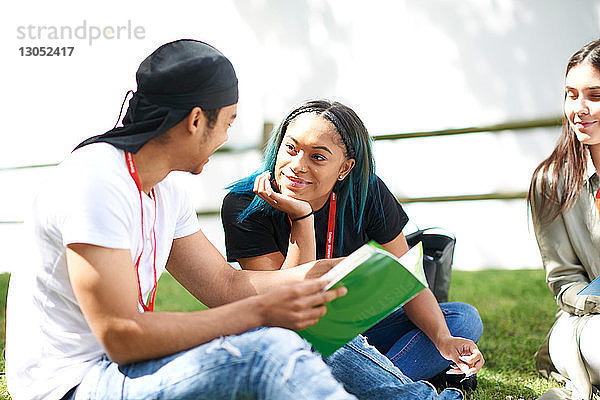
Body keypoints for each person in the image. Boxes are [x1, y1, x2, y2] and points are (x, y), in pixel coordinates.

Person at [5, 40, 464, 400]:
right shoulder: (97, 180)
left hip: (126, 368)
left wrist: (308, 276)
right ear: (196, 120)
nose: (226, 138)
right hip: (76, 384)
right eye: (228, 122)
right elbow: (122, 336)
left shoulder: (165, 188)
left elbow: (224, 286)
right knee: (270, 351)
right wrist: (264, 311)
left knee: (299, 334)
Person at [221, 99, 485, 388]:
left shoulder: (367, 192)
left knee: (462, 319)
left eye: (317, 157)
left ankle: (354, 387)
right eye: (291, 148)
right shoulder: (244, 204)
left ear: (345, 168)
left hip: (357, 328)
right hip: (295, 339)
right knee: (328, 346)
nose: (297, 166)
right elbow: (283, 314)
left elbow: (407, 278)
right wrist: (302, 218)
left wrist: (443, 339)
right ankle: (385, 385)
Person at [529, 39, 600, 400]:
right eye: (572, 95)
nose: (580, 108)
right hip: (584, 325)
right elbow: (565, 281)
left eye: (595, 95)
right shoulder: (551, 182)